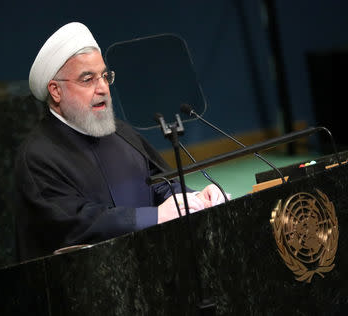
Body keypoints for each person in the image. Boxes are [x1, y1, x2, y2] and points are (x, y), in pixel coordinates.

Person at [14, 22, 226, 260]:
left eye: (105, 76)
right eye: (88, 79)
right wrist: (154, 217)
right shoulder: (38, 155)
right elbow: (77, 224)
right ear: (55, 91)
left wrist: (195, 197)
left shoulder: (121, 133)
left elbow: (158, 185)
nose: (103, 87)